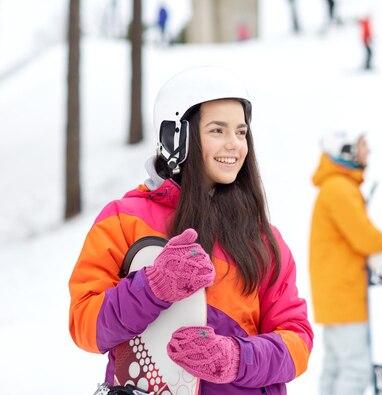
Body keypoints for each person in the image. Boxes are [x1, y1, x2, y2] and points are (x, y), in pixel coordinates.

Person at [68, 65, 314, 394]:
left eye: (241, 132)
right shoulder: (123, 220)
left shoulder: (263, 240)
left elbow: (298, 341)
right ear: (176, 136)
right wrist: (152, 288)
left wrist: (237, 358)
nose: (235, 145)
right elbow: (85, 325)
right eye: (217, 130)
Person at [309, 130, 382, 395]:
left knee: (336, 365)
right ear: (346, 150)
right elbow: (365, 238)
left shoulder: (337, 187)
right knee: (355, 369)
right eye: (362, 146)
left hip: (336, 293)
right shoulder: (339, 188)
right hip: (344, 294)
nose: (367, 151)